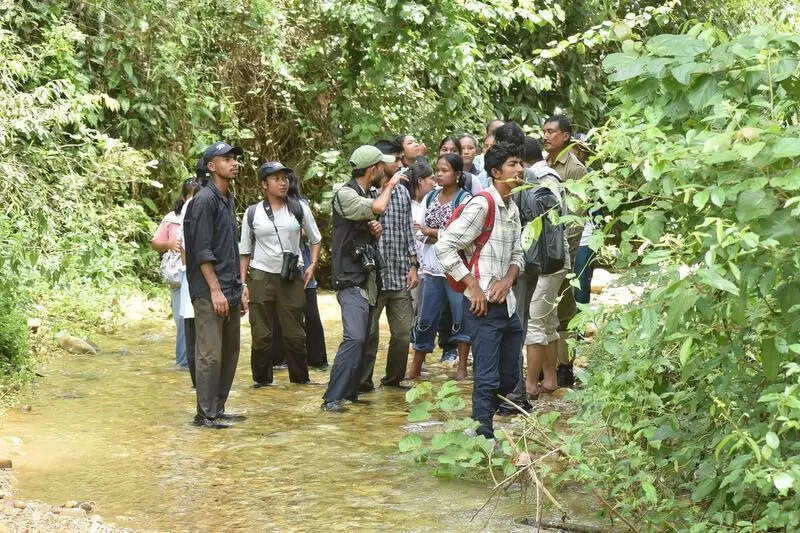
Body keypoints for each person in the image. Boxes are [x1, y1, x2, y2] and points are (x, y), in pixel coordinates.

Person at [435, 142, 525, 440]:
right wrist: (471, 285)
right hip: (482, 306)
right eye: (513, 164)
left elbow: (518, 254)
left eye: (520, 163)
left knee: (510, 377)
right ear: (496, 172)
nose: (520, 169)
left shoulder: (513, 207)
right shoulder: (482, 204)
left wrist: (508, 279)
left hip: (507, 304)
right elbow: (444, 245)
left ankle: (479, 427)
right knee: (486, 378)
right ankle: (482, 437)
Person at [322, 145, 407, 412]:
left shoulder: (361, 193)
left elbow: (370, 216)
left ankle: (349, 394)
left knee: (364, 338)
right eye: (384, 168)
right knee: (355, 337)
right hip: (350, 278)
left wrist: (374, 231)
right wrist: (391, 185)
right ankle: (332, 398)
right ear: (373, 169)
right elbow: (380, 205)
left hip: (367, 277)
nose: (387, 172)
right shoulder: (345, 193)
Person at [240, 161, 322, 388]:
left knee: (295, 334)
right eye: (276, 179)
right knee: (261, 335)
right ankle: (262, 383)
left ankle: (300, 381)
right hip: (260, 276)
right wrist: (242, 284)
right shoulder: (252, 213)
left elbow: (316, 239)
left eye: (284, 178)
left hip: (291, 276)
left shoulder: (298, 208)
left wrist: (312, 264)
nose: (283, 182)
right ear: (264, 184)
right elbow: (245, 251)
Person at [183, 141, 246, 429]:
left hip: (230, 287)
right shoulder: (204, 200)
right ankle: (205, 414)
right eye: (226, 159)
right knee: (209, 353)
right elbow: (201, 250)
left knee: (230, 351)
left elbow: (229, 249)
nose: (233, 163)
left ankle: (218, 408)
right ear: (211, 166)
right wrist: (216, 289)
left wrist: (241, 287)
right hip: (210, 292)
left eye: (234, 159)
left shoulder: (227, 198)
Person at [360, 140, 419, 392]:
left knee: (403, 333)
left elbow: (408, 231)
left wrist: (414, 265)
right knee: (369, 335)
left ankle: (393, 380)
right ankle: (362, 383)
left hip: (399, 274)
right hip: (372, 278)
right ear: (379, 162)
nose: (400, 164)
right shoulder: (363, 194)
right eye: (395, 159)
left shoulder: (404, 192)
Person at [408, 153, 472, 381]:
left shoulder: (465, 200)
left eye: (445, 170)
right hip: (432, 268)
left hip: (456, 269)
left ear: (457, 175)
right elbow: (418, 228)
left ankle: (462, 368)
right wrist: (434, 234)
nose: (439, 174)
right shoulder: (431, 197)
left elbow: (463, 235)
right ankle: (415, 368)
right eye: (438, 170)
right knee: (426, 317)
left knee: (460, 317)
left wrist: (433, 233)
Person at [523, 138, 571, 400]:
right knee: (549, 322)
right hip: (555, 259)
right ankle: (550, 380)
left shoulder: (539, 177)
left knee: (534, 322)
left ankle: (530, 385)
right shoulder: (549, 174)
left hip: (545, 261)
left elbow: (547, 219)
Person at [543, 114, 587, 387]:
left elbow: (575, 218)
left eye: (552, 132)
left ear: (566, 136)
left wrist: (563, 254)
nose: (546, 136)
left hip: (563, 252)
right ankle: (546, 367)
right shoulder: (542, 164)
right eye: (544, 131)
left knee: (564, 314)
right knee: (543, 312)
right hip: (542, 250)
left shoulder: (574, 168)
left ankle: (565, 367)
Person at [152, 180, 196, 370]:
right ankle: (183, 362)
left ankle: (194, 361)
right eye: (192, 195)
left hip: (200, 272)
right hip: (178, 275)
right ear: (185, 197)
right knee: (182, 318)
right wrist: (169, 244)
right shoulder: (172, 218)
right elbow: (155, 242)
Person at [288, 172, 329, 369]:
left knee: (311, 314)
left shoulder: (300, 204)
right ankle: (292, 359)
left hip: (303, 266)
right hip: (283, 270)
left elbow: (311, 234)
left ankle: (317, 358)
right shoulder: (268, 207)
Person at [406, 159, 438, 323]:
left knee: (426, 311)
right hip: (411, 264)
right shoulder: (406, 203)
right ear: (420, 180)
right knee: (412, 307)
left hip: (431, 264)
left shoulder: (435, 200)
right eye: (431, 179)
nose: (435, 182)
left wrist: (429, 234)